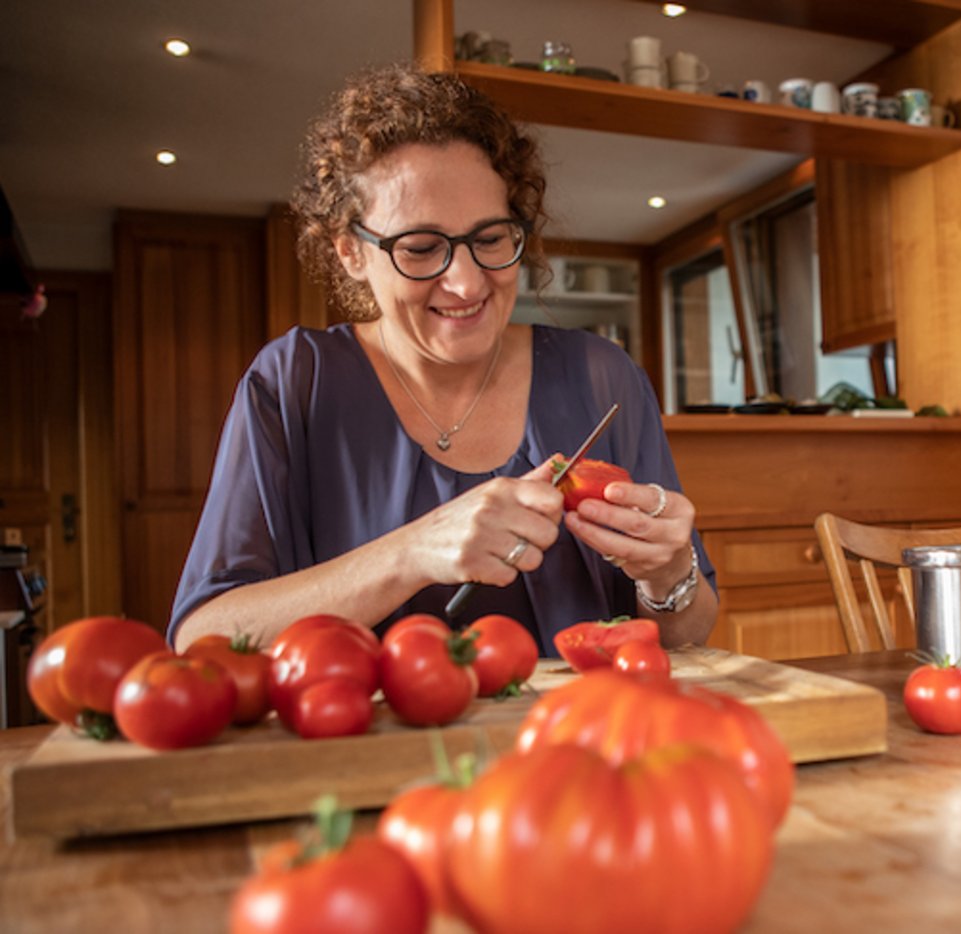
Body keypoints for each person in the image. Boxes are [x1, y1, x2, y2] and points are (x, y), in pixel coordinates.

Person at [170, 63, 717, 653]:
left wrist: (667, 576)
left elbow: (689, 633)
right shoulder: (294, 383)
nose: (465, 282)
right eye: (422, 248)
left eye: (490, 240)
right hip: (362, 745)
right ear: (352, 251)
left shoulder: (602, 377)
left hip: (574, 736)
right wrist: (414, 552)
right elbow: (203, 638)